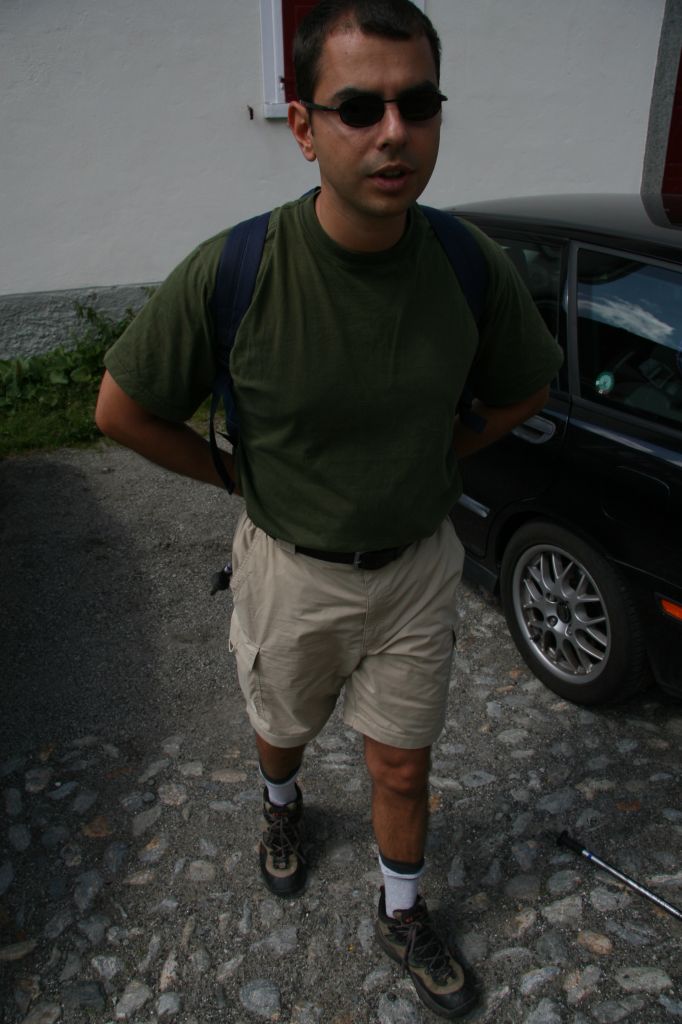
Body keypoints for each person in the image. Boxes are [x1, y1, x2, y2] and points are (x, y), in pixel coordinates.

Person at [95, 1, 563, 1017]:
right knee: (283, 726)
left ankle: (402, 910)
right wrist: (237, 478)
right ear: (305, 128)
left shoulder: (466, 263)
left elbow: (526, 385)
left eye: (417, 104)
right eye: (359, 107)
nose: (394, 132)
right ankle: (282, 803)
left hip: (416, 570)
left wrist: (444, 449)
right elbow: (120, 410)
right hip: (290, 570)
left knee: (401, 762)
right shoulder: (236, 270)